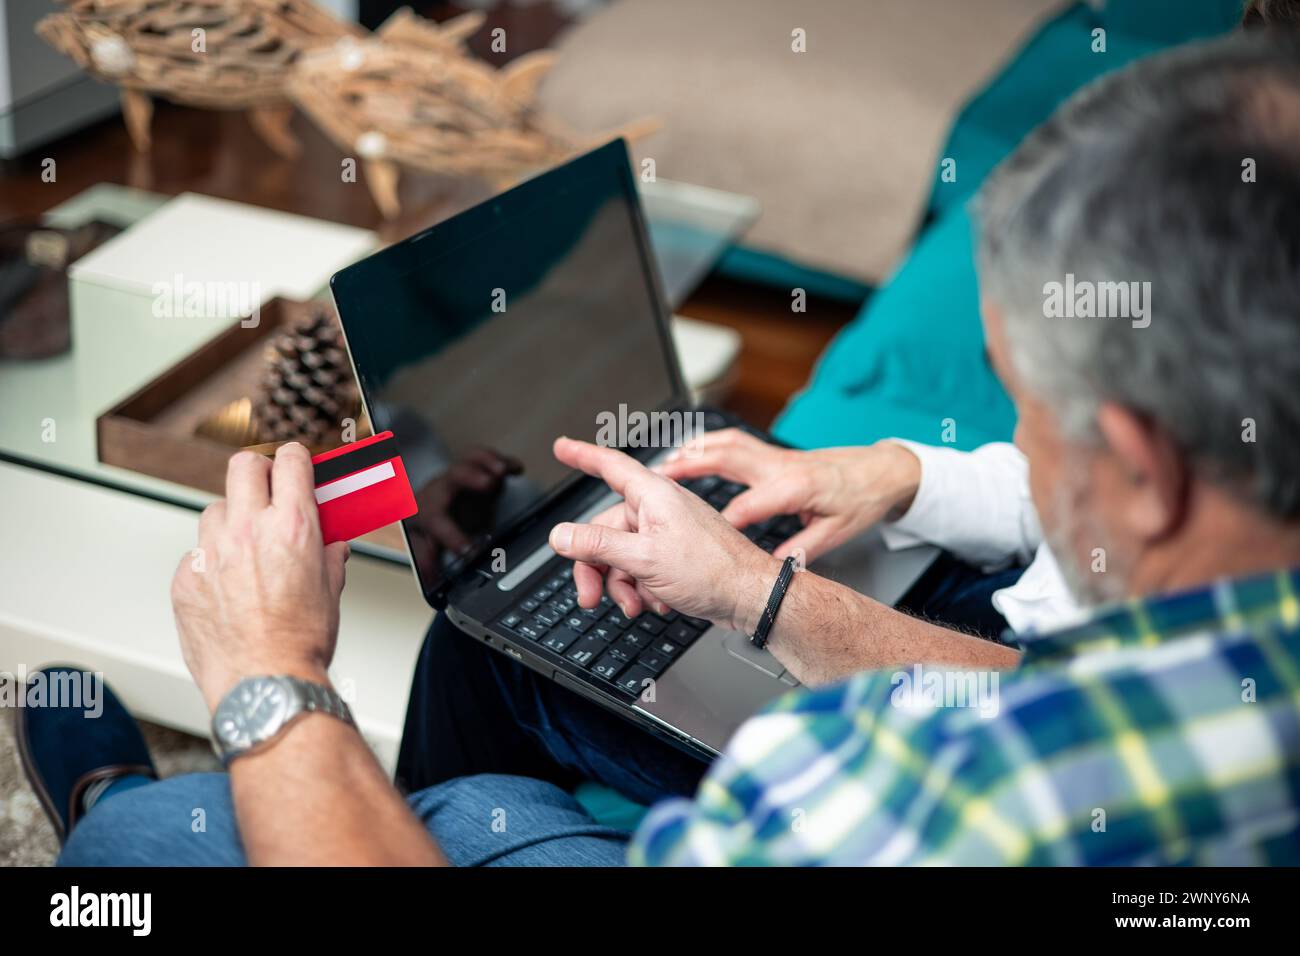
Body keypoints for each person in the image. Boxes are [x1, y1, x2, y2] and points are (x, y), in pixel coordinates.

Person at [23, 29, 1300, 865]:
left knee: (170, 845)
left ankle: (102, 812)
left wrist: (269, 680)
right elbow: (1052, 627)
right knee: (491, 631)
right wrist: (899, 474)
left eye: (1029, 409)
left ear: (1144, 470)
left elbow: (998, 724)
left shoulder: (888, 794)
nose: (1018, 437)